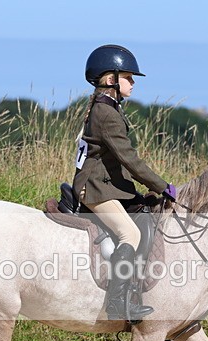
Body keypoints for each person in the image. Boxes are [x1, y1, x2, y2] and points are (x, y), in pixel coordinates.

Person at [72, 44, 177, 322]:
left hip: (105, 184)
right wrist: (161, 185)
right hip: (94, 189)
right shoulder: (106, 113)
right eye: (128, 77)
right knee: (130, 235)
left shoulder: (106, 107)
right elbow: (129, 159)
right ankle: (117, 303)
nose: (133, 83)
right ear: (110, 80)